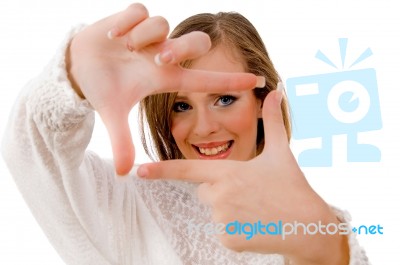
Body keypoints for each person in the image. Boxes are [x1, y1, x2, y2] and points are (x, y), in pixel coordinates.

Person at [1, 3, 370, 265]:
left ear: (263, 100)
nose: (204, 126)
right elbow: (33, 153)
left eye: (225, 99)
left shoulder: (309, 216)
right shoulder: (128, 203)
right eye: (181, 106)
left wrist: (326, 251)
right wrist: (73, 76)